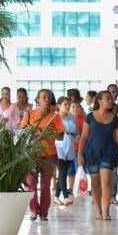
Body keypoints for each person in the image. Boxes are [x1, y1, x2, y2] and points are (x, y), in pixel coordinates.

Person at [78, 90, 118, 221]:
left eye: (111, 99)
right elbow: (83, 136)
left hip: (109, 153)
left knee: (106, 182)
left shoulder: (114, 118)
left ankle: (106, 212)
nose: (111, 101)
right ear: (99, 101)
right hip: (91, 153)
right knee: (95, 183)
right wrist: (79, 154)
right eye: (108, 98)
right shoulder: (90, 117)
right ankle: (98, 212)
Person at [19, 89, 63, 221]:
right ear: (37, 100)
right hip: (31, 154)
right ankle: (33, 210)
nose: (46, 99)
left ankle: (44, 212)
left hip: (49, 154)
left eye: (48, 97)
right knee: (31, 184)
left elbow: (61, 136)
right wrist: (43, 131)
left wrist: (41, 131)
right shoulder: (29, 114)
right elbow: (23, 131)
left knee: (45, 186)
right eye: (43, 97)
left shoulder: (55, 116)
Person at [54, 96, 78, 206]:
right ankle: (65, 197)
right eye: (65, 104)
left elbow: (76, 132)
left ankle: (56, 197)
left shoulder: (72, 118)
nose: (68, 106)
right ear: (59, 106)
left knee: (63, 173)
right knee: (62, 172)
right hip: (59, 147)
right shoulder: (55, 117)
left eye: (69, 104)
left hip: (70, 146)